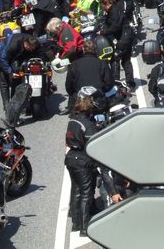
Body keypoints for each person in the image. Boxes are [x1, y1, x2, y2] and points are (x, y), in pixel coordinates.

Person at [65, 93, 99, 234]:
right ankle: (85, 227)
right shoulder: (88, 125)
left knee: (76, 190)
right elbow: (93, 146)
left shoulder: (72, 121)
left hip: (71, 157)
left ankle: (75, 223)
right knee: (86, 192)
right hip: (82, 160)